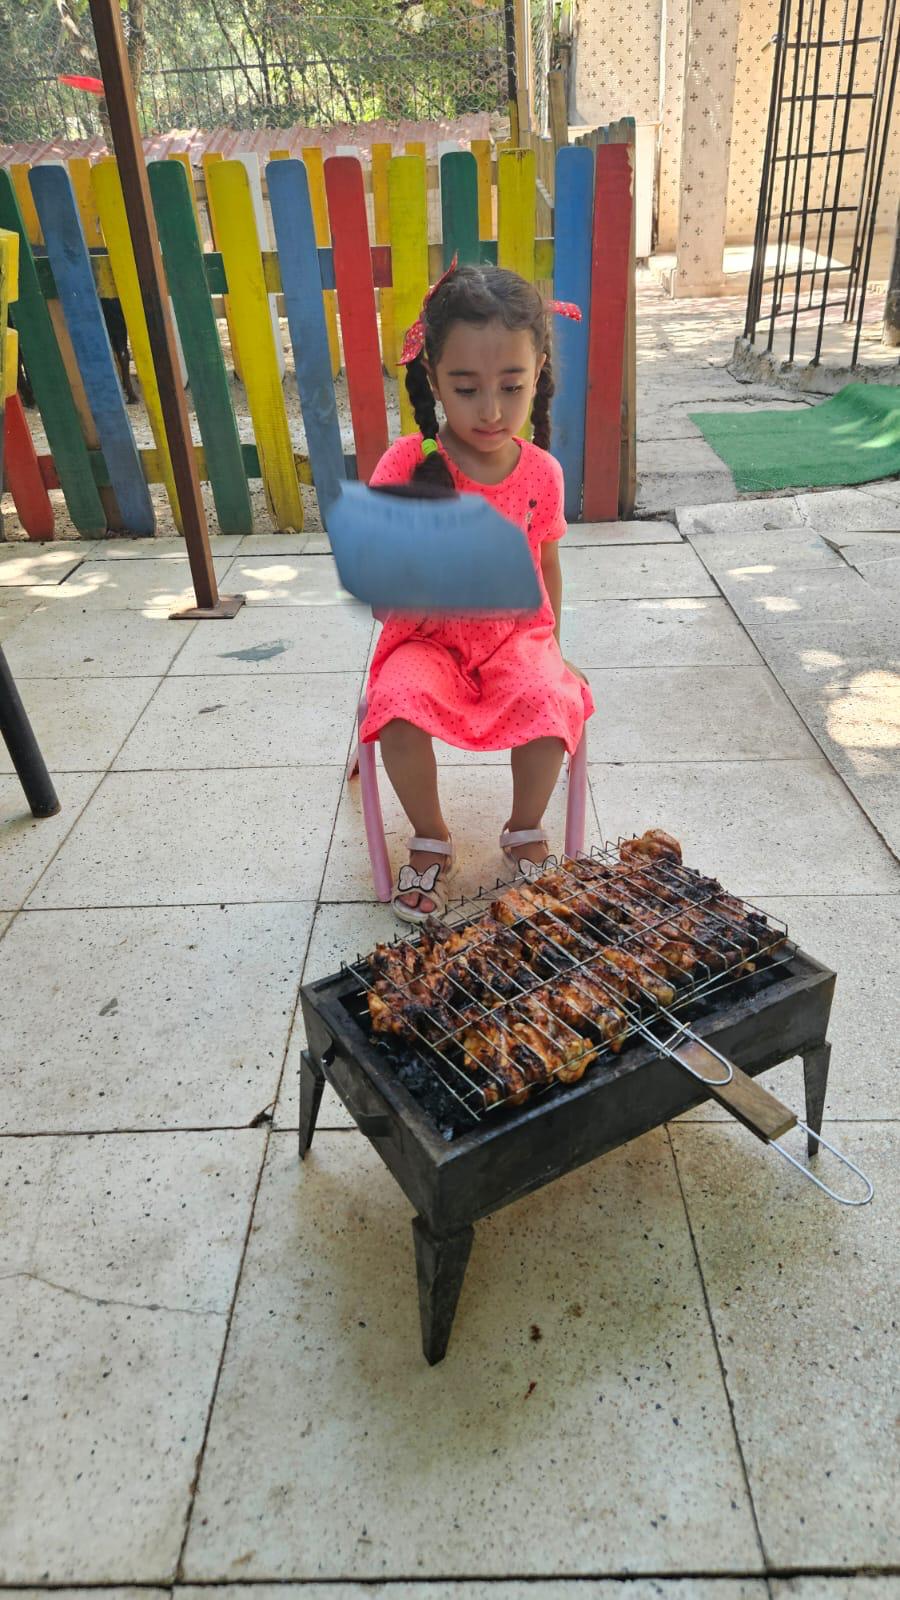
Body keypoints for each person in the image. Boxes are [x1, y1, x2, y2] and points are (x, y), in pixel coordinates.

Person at [360, 261, 594, 922]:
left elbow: (546, 564)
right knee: (398, 704)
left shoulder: (541, 473)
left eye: (511, 386)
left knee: (551, 698)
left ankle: (524, 830)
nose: (490, 411)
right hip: (426, 637)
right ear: (433, 378)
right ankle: (431, 839)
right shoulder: (407, 464)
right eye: (465, 388)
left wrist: (553, 645)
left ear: (538, 370)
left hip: (513, 634)